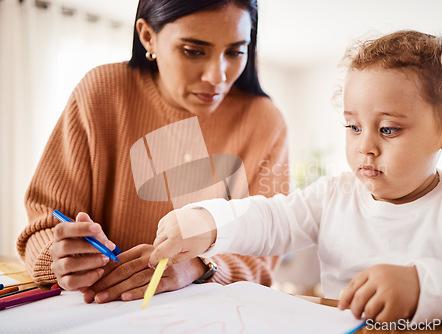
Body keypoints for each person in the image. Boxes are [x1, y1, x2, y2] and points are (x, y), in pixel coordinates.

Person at [148, 30, 442, 323]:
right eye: (353, 126)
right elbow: (274, 219)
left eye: (389, 129)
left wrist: (422, 286)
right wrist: (209, 222)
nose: (366, 146)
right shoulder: (335, 194)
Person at [17, 0, 290, 304]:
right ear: (148, 36)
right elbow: (43, 225)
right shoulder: (102, 93)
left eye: (235, 52)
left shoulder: (265, 122)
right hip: (99, 313)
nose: (218, 77)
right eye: (194, 51)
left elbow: (264, 252)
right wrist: (55, 257)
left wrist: (201, 267)